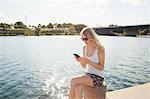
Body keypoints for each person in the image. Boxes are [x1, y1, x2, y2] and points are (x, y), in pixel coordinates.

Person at [68, 27, 105, 99]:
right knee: (77, 89)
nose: (84, 41)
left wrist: (89, 62)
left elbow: (101, 67)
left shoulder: (100, 48)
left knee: (73, 80)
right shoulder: (84, 48)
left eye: (86, 39)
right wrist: (81, 61)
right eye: (82, 39)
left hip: (98, 78)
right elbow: (84, 66)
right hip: (88, 75)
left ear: (91, 37)